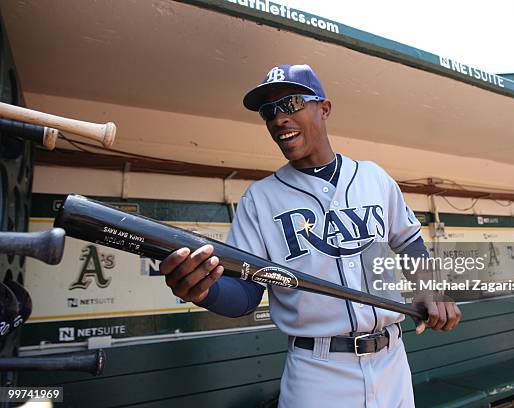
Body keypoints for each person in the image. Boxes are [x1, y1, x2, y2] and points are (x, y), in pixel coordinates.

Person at [160, 64, 461, 407]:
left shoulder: (373, 178)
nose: (277, 119)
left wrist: (430, 289)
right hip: (319, 370)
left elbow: (409, 242)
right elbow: (244, 293)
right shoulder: (260, 200)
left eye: (289, 104)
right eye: (268, 112)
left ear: (324, 108)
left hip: (392, 361)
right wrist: (204, 290)